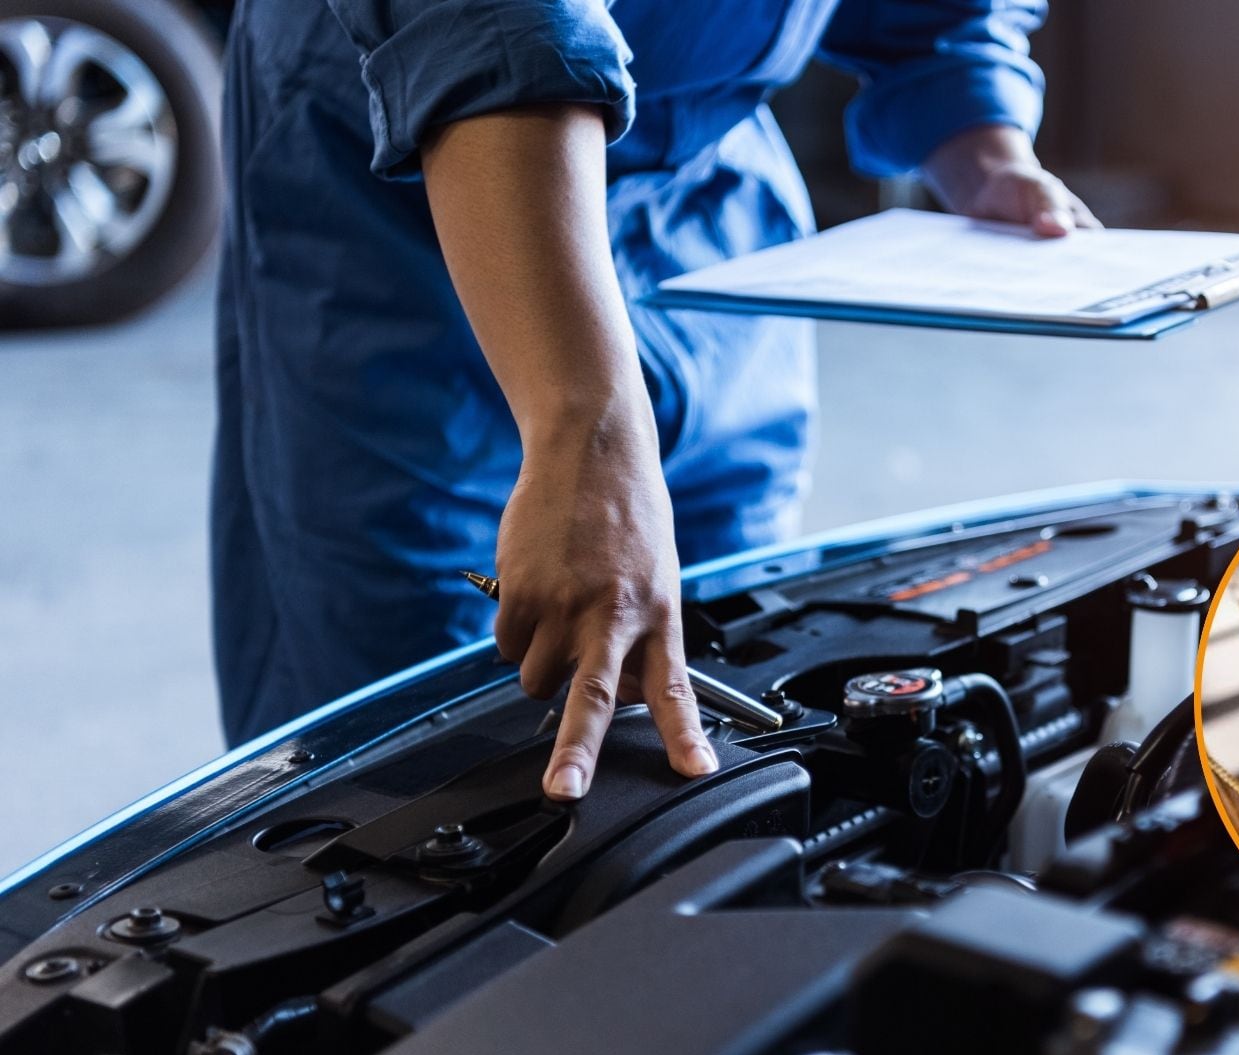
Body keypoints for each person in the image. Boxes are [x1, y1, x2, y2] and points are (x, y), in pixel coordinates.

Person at [213, 1, 1096, 802]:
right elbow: (493, 24)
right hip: (428, 180)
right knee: (423, 741)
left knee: (744, 656)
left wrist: (978, 129)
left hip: (703, 183)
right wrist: (583, 431)